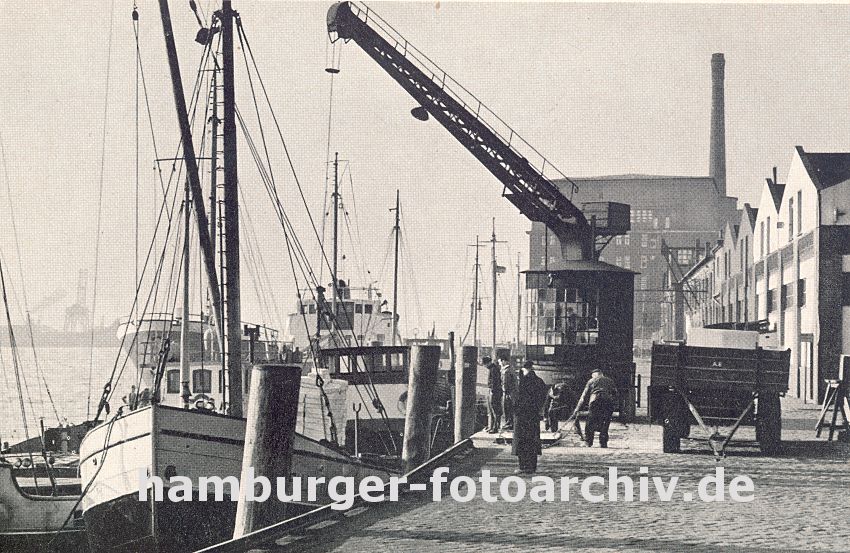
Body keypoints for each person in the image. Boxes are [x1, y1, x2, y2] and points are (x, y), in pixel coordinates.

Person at [512, 361, 549, 474]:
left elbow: (516, 398)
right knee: (533, 441)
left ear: (524, 369)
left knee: (521, 441)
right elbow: (544, 397)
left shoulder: (522, 382)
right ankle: (532, 467)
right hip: (533, 416)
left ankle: (522, 466)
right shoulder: (539, 381)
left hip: (522, 416)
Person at [571, 368, 618, 448]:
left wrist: (577, 408)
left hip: (595, 401)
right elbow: (615, 394)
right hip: (607, 402)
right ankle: (603, 443)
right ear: (601, 374)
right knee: (605, 422)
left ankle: (588, 442)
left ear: (594, 375)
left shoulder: (591, 381)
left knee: (590, 422)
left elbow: (583, 396)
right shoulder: (610, 381)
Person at [484, 356, 502, 433]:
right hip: (493, 391)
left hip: (494, 392)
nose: (485, 366)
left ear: (488, 363)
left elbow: (495, 382)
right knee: (491, 410)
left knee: (495, 410)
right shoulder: (492, 368)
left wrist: (492, 390)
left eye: (485, 364)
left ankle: (495, 428)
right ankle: (491, 426)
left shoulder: (494, 369)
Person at [500, 358, 517, 431]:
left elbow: (505, 382)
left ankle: (509, 423)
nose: (500, 363)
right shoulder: (511, 369)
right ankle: (511, 423)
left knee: (507, 408)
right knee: (511, 408)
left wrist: (505, 391)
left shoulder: (506, 371)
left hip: (508, 392)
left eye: (500, 362)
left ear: (503, 361)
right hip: (512, 392)